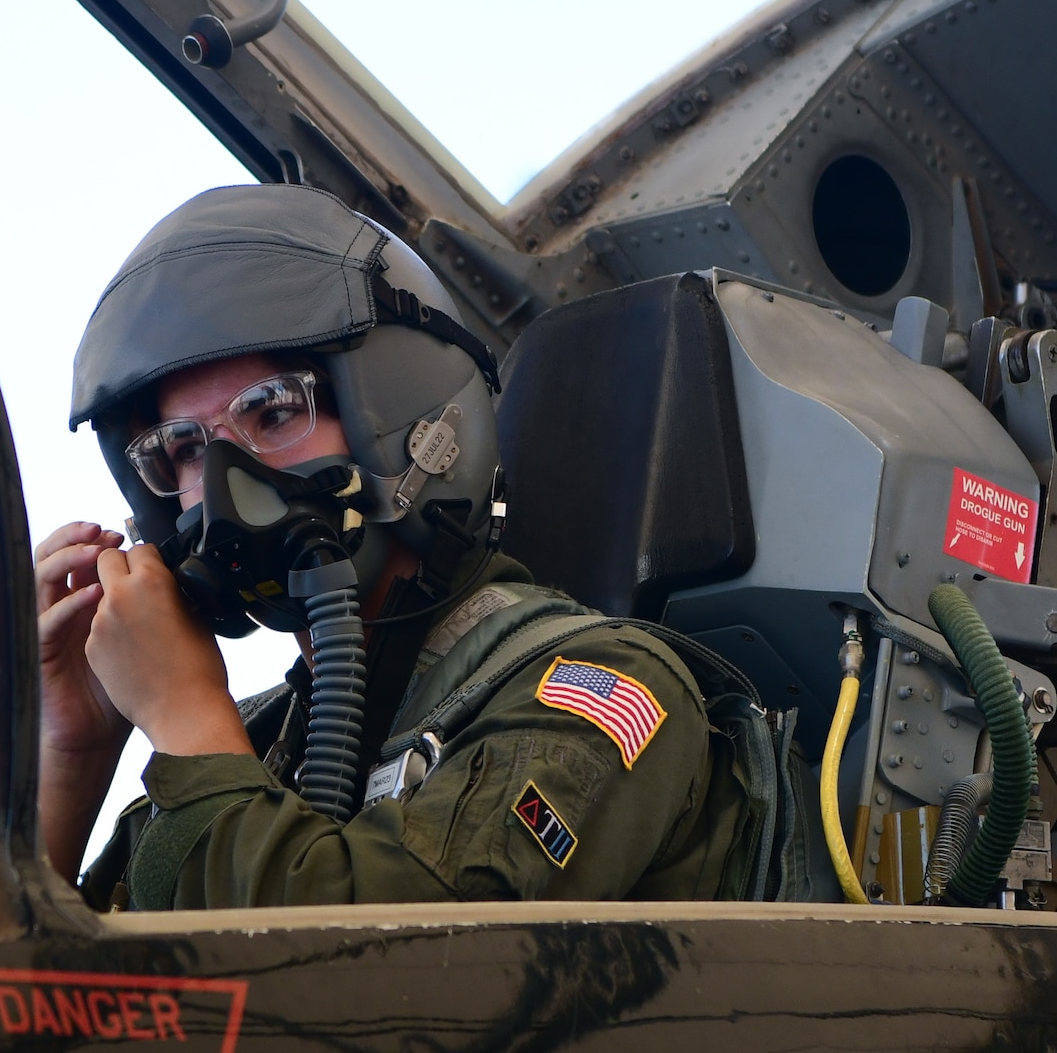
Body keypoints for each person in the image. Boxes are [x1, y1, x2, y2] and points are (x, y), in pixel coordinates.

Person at [37, 183, 755, 911]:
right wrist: (74, 752)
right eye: (185, 447)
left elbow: (362, 986)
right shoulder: (251, 741)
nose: (222, 482)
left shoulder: (606, 692)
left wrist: (184, 713)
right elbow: (6, 1000)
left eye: (274, 409)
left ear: (406, 414)